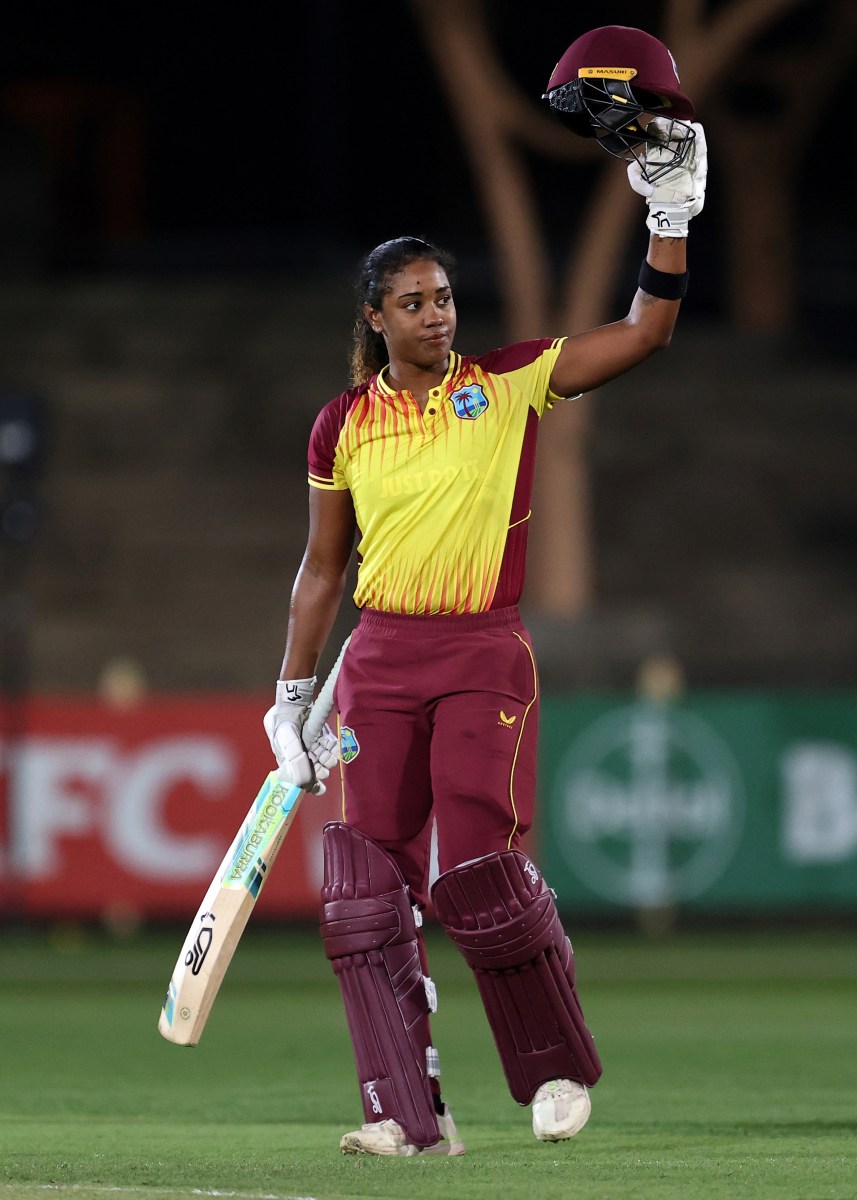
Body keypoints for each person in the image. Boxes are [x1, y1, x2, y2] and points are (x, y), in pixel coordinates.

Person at [263, 25, 707, 1158]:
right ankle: (407, 1119)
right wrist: (290, 694)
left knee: (477, 872)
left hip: (479, 652)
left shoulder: (502, 387)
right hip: (377, 664)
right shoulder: (341, 424)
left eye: (444, 298)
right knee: (362, 896)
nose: (437, 315)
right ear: (373, 318)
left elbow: (644, 333)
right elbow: (325, 566)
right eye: (412, 303)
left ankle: (553, 1072)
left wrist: (668, 221)